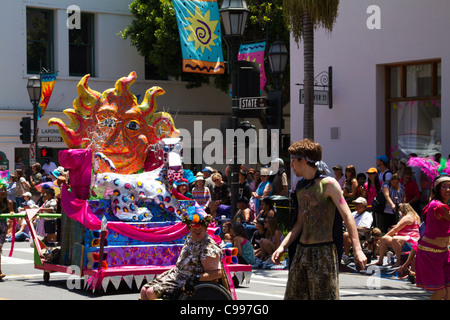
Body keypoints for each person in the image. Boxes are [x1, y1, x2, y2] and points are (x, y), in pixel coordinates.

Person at [272, 139, 366, 300]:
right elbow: (299, 224)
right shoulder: (300, 187)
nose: (291, 165)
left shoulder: (329, 184)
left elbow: (347, 216)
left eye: (293, 161)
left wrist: (357, 249)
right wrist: (282, 246)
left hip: (323, 253)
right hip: (301, 252)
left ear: (303, 161)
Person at [140, 208, 222, 300]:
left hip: (190, 279)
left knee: (151, 292)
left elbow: (217, 273)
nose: (197, 232)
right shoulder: (190, 238)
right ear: (189, 229)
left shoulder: (209, 248)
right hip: (178, 274)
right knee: (144, 290)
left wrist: (195, 278)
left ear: (205, 228)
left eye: (200, 230)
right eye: (194, 230)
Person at [415, 174, 450, 300]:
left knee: (449, 293)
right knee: (440, 293)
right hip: (430, 254)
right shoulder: (437, 206)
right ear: (437, 189)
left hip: (444, 253)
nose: (448, 190)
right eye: (444, 187)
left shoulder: (441, 204)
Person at [373, 203, 420, 267]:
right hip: (403, 239)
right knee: (384, 239)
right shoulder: (411, 217)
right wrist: (384, 238)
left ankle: (398, 261)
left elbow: (395, 229)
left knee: (395, 238)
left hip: (412, 240)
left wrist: (385, 235)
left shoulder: (408, 217)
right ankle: (380, 260)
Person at [342, 197, 373, 264]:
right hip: (348, 232)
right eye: (355, 204)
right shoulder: (353, 214)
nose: (356, 206)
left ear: (364, 206)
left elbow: (366, 228)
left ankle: (346, 256)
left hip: (360, 234)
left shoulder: (367, 215)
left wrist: (353, 228)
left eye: (358, 204)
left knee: (346, 235)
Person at [0, 178, 15, 280]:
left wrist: (12, 214)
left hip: (3, 228)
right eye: (1, 189)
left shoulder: (9, 202)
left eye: (5, 189)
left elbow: (12, 214)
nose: (3, 191)